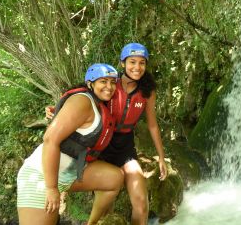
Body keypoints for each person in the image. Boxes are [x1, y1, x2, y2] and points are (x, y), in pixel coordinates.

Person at [46, 43, 168, 225]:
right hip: (100, 144)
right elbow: (84, 99)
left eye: (142, 63)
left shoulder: (147, 91)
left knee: (141, 203)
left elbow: (152, 125)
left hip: (125, 146)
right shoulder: (110, 83)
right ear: (122, 64)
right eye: (132, 62)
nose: (137, 67)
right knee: (106, 207)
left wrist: (161, 157)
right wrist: (56, 110)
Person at [18, 63, 124, 225]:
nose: (109, 87)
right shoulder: (82, 101)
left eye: (112, 82)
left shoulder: (97, 104)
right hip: (42, 177)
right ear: (91, 83)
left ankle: (92, 223)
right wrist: (51, 188)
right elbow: (50, 140)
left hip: (70, 175)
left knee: (114, 179)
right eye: (103, 81)